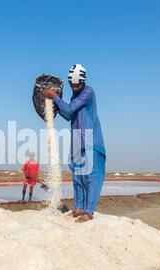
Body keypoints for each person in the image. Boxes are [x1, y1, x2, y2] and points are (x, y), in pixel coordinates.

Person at [44, 64, 106, 223]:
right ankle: (79, 208)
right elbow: (68, 115)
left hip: (91, 139)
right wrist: (54, 103)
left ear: (83, 81)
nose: (74, 86)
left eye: (77, 83)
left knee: (90, 176)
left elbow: (70, 110)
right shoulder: (74, 96)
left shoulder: (88, 92)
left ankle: (89, 211)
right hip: (78, 138)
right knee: (77, 175)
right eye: (72, 83)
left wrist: (56, 97)